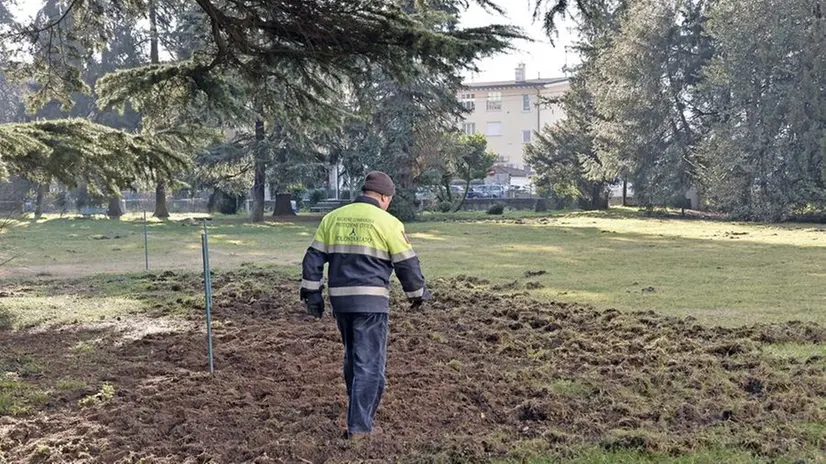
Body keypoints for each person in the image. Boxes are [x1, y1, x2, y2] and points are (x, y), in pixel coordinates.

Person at [300, 171, 431, 438]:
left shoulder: (332, 218)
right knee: (370, 365)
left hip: (341, 302)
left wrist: (312, 295)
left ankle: (355, 412)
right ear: (384, 196)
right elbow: (407, 264)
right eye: (389, 199)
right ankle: (360, 428)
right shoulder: (388, 223)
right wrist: (416, 295)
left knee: (353, 358)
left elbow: (312, 260)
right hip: (371, 304)